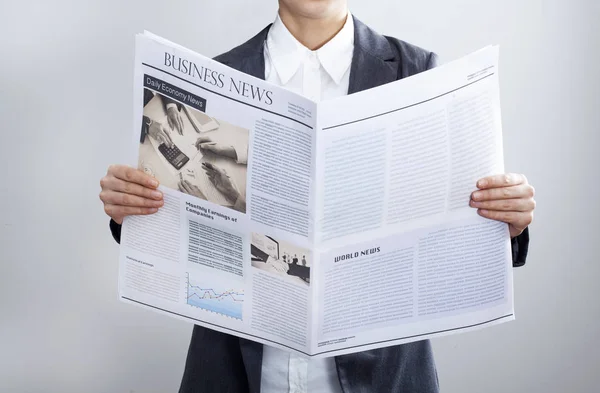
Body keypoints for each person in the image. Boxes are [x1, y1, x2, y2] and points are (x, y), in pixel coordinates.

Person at [99, 1, 536, 392]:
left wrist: (503, 223)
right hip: (236, 370)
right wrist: (134, 213)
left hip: (385, 376)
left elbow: (446, 229)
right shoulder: (218, 77)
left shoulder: (417, 73)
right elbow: (186, 229)